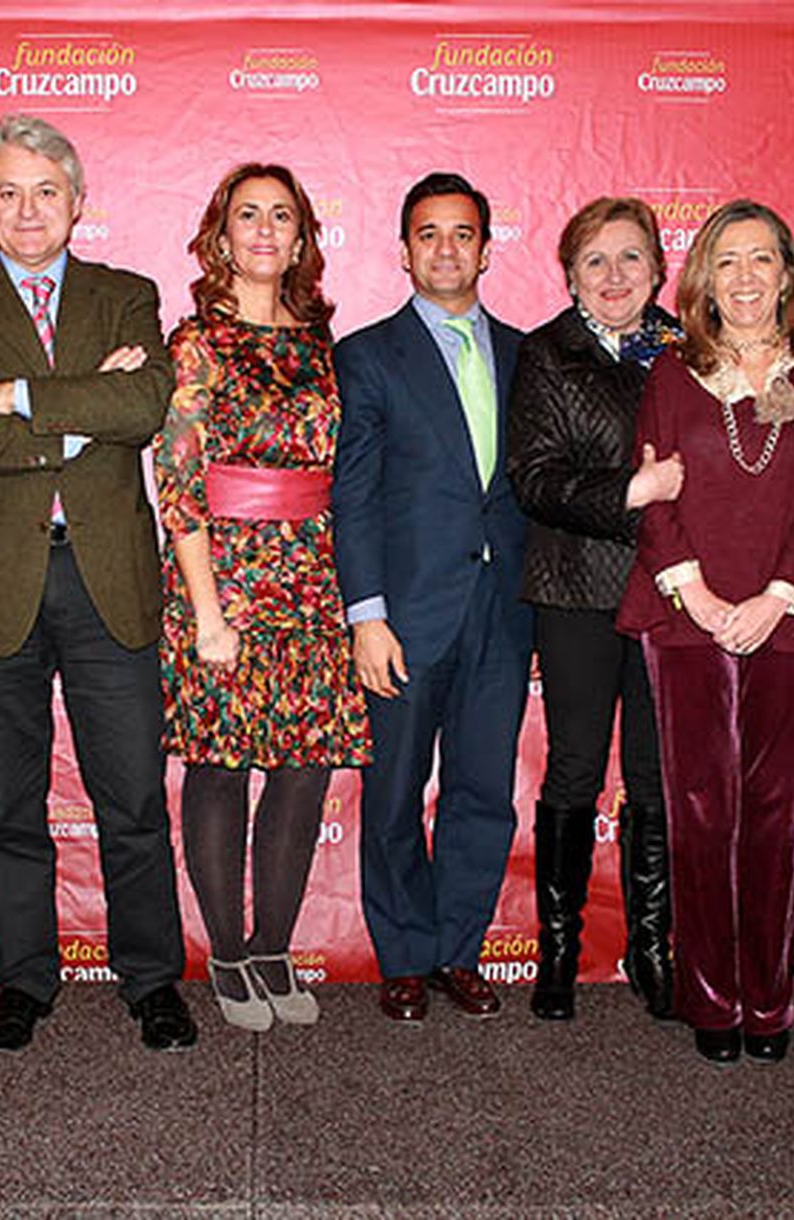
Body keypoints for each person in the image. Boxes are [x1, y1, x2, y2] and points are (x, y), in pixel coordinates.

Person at [0, 114, 195, 1053]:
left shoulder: (127, 294)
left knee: (132, 801)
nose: (27, 209)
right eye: (8, 192)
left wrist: (23, 398)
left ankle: (153, 982)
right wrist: (84, 412)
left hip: (109, 579)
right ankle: (24, 985)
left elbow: (145, 404)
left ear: (78, 203)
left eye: (46, 191)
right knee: (9, 806)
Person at [617, 199, 794, 1065]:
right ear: (703, 280)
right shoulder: (672, 378)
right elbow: (654, 501)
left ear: (787, 274)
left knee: (771, 816)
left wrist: (778, 596)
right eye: (727, 261)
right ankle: (711, 1000)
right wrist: (706, 603)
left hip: (788, 623)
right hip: (685, 620)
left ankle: (769, 1002)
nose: (745, 277)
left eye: (761, 260)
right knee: (699, 816)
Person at [156, 164, 370, 1031]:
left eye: (282, 215)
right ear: (220, 233)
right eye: (248, 214)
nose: (265, 229)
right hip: (224, 578)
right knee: (218, 763)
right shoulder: (196, 341)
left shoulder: (323, 342)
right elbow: (178, 484)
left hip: (314, 574)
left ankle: (275, 943)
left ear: (302, 237)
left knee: (303, 766)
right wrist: (207, 612)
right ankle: (228, 954)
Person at [332, 172, 532, 1023]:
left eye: (462, 234)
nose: (446, 249)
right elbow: (354, 493)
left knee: (484, 790)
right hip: (407, 615)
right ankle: (405, 955)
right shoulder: (369, 355)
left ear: (486, 248)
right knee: (395, 791)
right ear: (404, 250)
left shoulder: (530, 355)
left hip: (506, 608)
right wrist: (366, 614)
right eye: (428, 234)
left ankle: (458, 950)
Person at [509, 197, 684, 1021]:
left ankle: (651, 950)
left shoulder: (695, 348)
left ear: (658, 267)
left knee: (656, 775)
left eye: (630, 258)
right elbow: (536, 481)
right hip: (577, 588)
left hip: (674, 592)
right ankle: (558, 951)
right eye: (595, 262)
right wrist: (634, 490)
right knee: (576, 768)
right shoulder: (546, 353)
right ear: (570, 273)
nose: (614, 277)